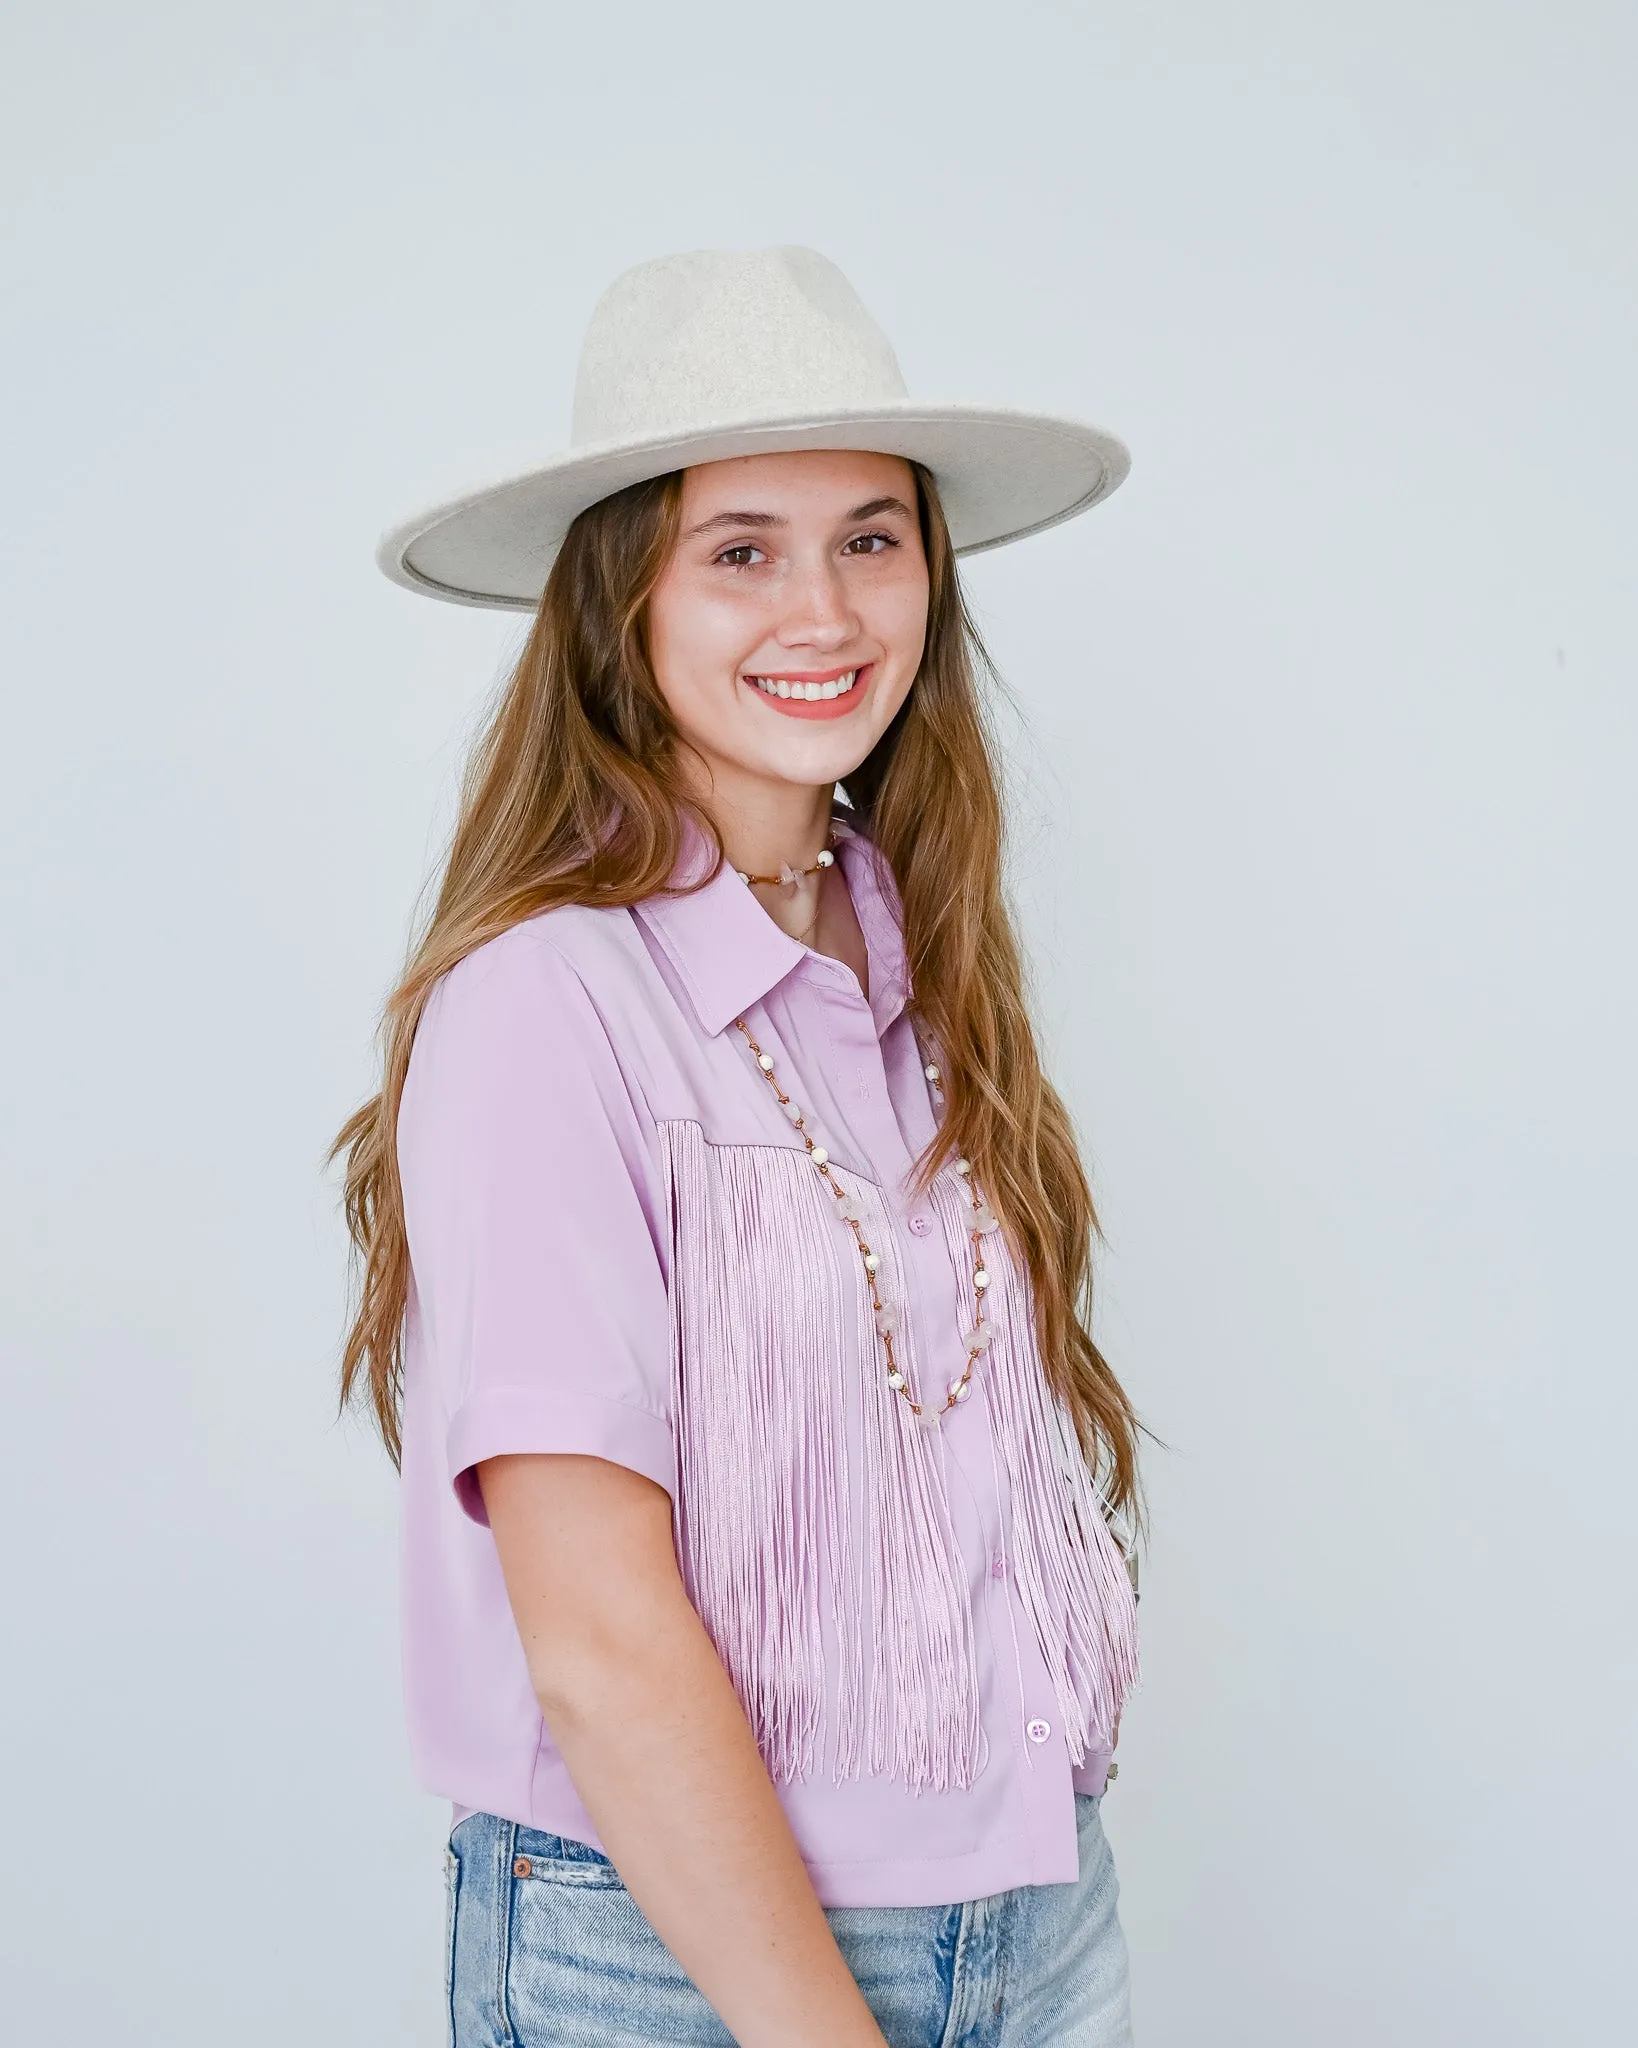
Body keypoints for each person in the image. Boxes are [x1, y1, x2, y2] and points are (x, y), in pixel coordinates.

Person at [332, 245, 1150, 2047]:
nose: (827, 609)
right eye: (741, 550)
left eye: (872, 535)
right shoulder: (551, 1005)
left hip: (1032, 1919)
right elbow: (602, 1637)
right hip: (676, 1962)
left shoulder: (917, 958)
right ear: (624, 599)